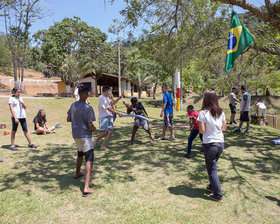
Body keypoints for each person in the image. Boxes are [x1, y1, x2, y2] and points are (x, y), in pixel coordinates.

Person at [67, 85, 97, 196]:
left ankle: (77, 173)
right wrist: (94, 129)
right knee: (89, 158)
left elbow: (68, 119)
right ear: (85, 94)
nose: (89, 94)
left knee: (80, 153)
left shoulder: (73, 105)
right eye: (88, 93)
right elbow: (90, 124)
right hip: (85, 135)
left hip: (76, 135)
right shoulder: (88, 108)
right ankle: (86, 187)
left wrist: (77, 120)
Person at [198, 90, 227, 202]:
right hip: (220, 143)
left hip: (210, 144)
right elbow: (224, 128)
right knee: (213, 167)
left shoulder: (203, 113)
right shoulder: (221, 112)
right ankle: (211, 187)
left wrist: (207, 128)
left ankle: (218, 195)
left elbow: (202, 130)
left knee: (212, 170)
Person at [93, 85, 123, 150]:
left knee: (110, 132)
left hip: (109, 116)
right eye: (109, 91)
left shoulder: (107, 97)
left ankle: (103, 146)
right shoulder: (102, 98)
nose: (110, 92)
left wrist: (118, 98)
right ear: (106, 90)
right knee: (104, 132)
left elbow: (112, 103)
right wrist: (117, 113)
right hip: (104, 117)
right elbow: (108, 108)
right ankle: (96, 140)